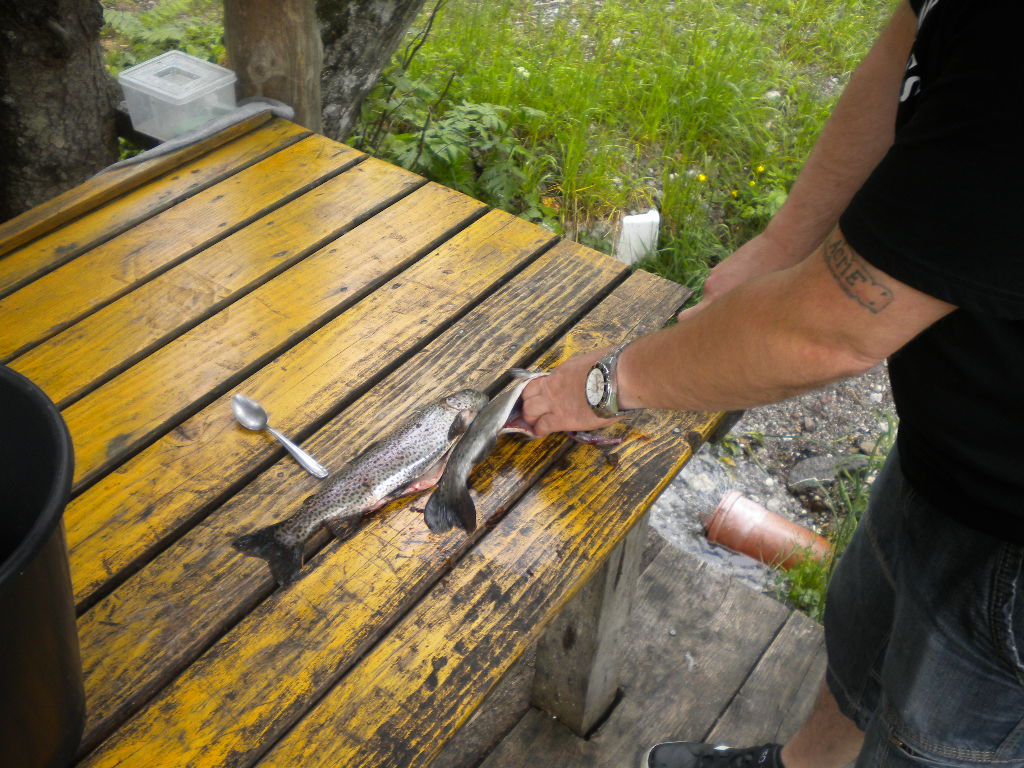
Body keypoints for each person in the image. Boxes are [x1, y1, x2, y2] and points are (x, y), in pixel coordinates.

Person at [520, 1, 1024, 766]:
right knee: (862, 649)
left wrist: (604, 383)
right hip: (951, 451)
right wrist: (783, 242)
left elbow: (830, 331)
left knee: (927, 746)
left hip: (1012, 547)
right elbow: (916, 45)